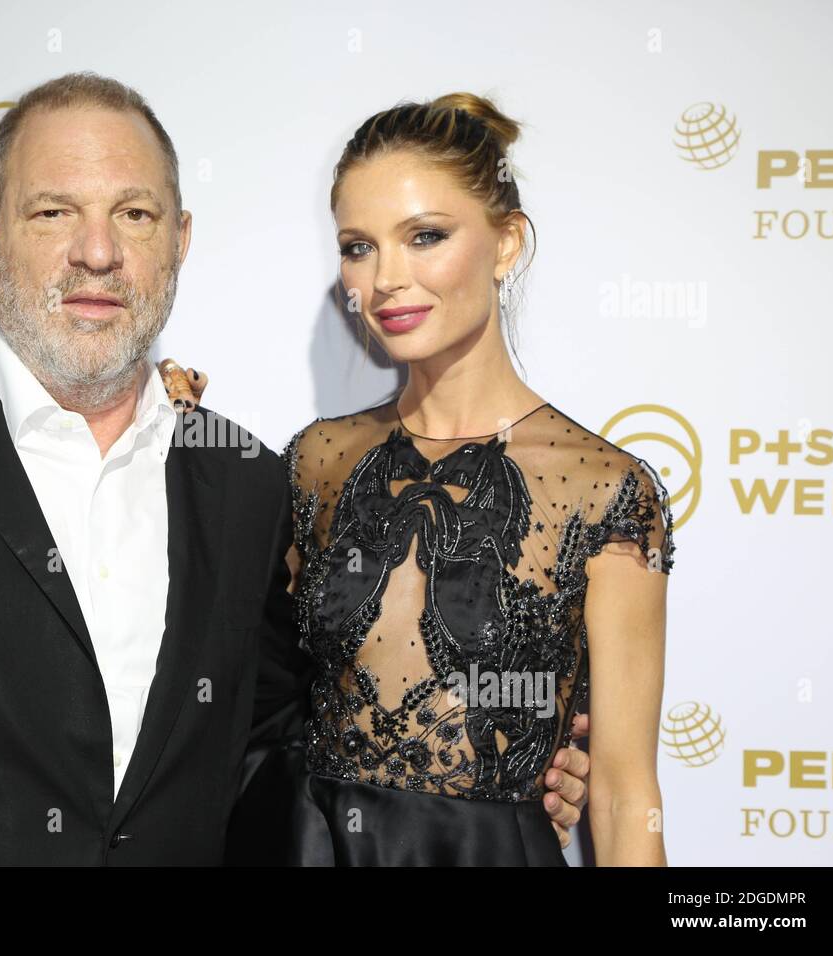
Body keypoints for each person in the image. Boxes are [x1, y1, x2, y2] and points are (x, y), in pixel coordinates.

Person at [0, 73, 589, 866]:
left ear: (179, 241)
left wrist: (487, 778)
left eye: (132, 214)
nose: (97, 252)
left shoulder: (247, 483)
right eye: (54, 211)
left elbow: (282, 747)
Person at [205, 93, 675, 866]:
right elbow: (253, 694)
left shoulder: (606, 489)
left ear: (506, 243)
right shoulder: (317, 460)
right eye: (358, 247)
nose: (386, 278)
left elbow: (625, 796)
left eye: (425, 236)